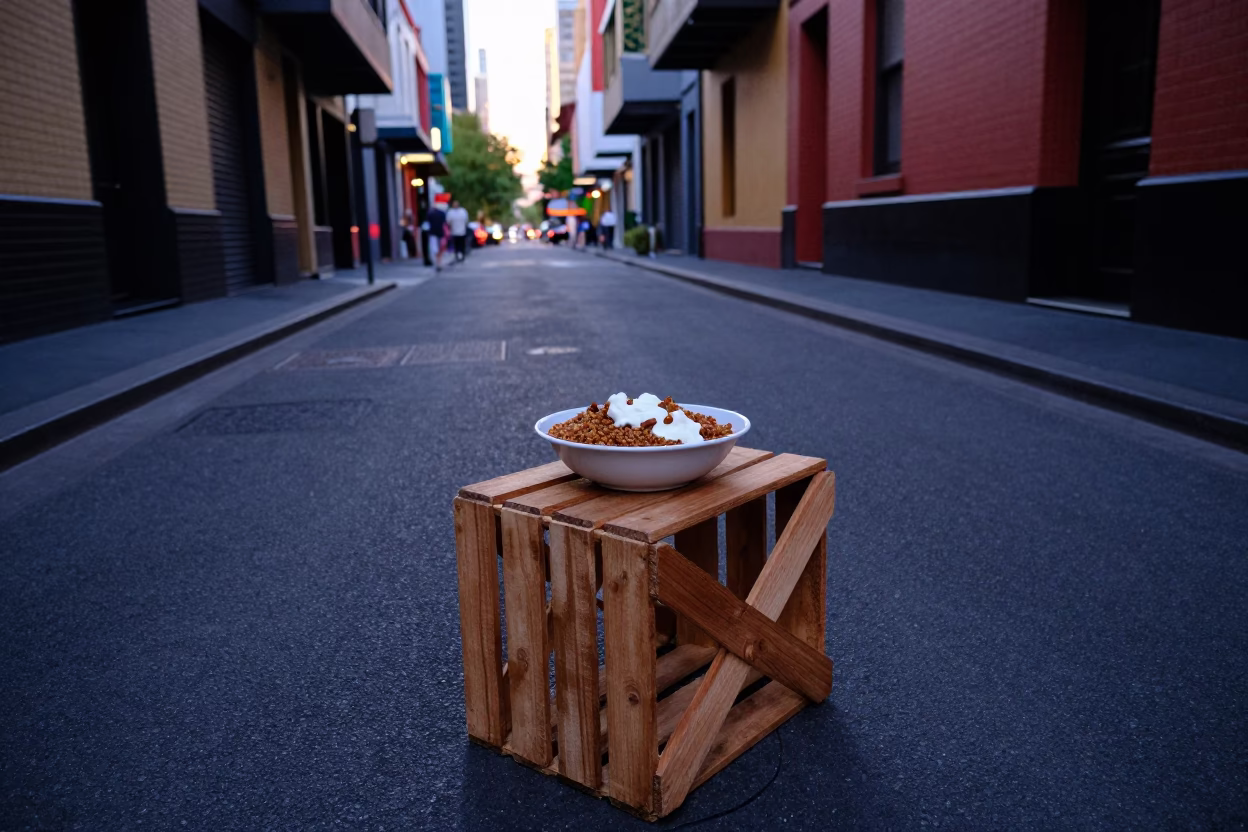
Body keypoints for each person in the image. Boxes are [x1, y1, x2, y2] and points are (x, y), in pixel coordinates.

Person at [425, 201, 447, 271]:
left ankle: (437, 262)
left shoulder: (430, 213)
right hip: (440, 233)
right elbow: (445, 223)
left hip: (433, 233)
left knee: (435, 249)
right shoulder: (442, 214)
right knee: (440, 248)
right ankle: (439, 262)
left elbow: (427, 223)